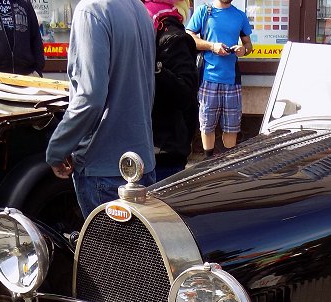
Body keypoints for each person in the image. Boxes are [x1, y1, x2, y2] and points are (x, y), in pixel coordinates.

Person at [45, 0, 156, 217]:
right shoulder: (139, 10)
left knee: (104, 241)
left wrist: (57, 149)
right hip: (141, 163)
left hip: (103, 167)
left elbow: (90, 97)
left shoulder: (91, 10)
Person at [186, 0, 252, 158]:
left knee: (232, 127)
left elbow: (249, 44)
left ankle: (227, 164)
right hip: (208, 78)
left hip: (232, 80)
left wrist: (243, 50)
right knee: (207, 125)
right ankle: (207, 162)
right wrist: (211, 46)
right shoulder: (204, 11)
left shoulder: (239, 16)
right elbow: (188, 38)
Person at [143, 0, 198, 180]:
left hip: (163, 151)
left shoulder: (172, 36)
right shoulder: (140, 29)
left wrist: (156, 70)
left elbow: (185, 94)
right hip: (141, 148)